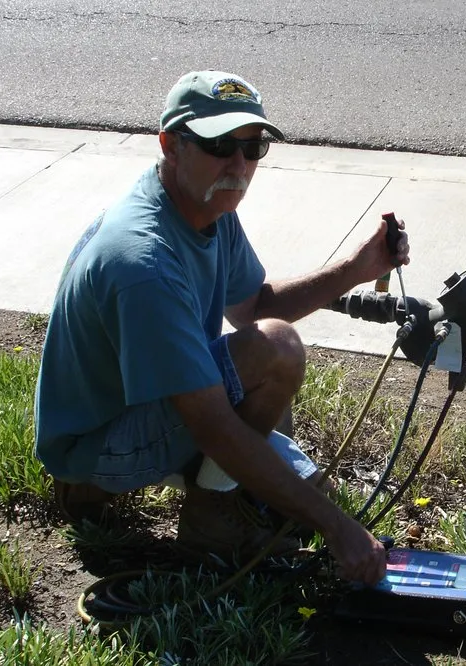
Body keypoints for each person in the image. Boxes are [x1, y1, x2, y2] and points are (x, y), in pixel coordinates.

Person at [33, 70, 409, 586]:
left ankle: (232, 490)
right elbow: (212, 423)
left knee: (270, 351)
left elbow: (253, 306)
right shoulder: (144, 262)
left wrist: (354, 269)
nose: (239, 164)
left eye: (252, 147)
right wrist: (338, 529)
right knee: (277, 354)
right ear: (170, 145)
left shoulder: (204, 203)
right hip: (97, 446)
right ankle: (207, 515)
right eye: (218, 144)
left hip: (145, 404)